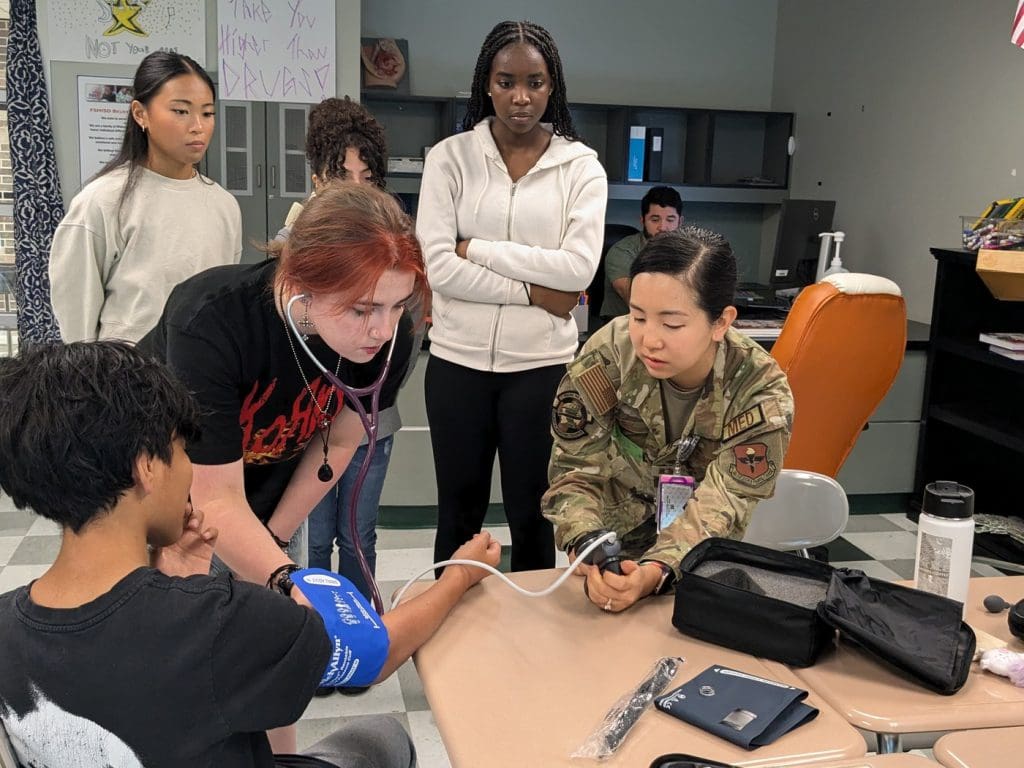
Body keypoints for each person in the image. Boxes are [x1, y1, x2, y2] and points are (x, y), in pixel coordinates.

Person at [0, 341, 499, 767]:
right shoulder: (224, 620)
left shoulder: (6, 627)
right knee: (383, 736)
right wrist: (458, 577)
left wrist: (181, 582)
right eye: (181, 452)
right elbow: (374, 654)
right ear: (147, 467)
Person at [138, 183, 496, 750]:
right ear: (301, 281)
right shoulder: (211, 319)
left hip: (262, 489)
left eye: (398, 306)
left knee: (276, 644)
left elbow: (339, 442)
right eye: (362, 309)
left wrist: (277, 547)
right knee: (170, 652)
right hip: (159, 493)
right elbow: (212, 496)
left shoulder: (386, 339)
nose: (382, 331)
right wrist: (284, 578)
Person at [416, 20, 608, 571]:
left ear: (553, 87)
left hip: (542, 370)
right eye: (506, 82)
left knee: (535, 513)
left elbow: (578, 269)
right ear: (486, 85)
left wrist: (478, 248)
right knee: (457, 513)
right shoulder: (449, 158)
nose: (521, 97)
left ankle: (532, 642)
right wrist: (536, 292)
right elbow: (439, 269)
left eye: (535, 82)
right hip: (457, 365)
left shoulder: (581, 168)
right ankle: (449, 632)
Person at [543, 227, 793, 613]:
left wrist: (657, 570)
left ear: (721, 322)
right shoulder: (610, 354)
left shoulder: (758, 390)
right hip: (615, 542)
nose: (649, 340)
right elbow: (576, 466)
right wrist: (587, 542)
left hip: (704, 558)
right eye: (638, 317)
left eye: (671, 324)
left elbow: (725, 501)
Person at [276, 97, 416, 605]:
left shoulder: (394, 245)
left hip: (369, 419)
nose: (356, 188)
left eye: (367, 175)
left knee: (359, 535)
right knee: (311, 537)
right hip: (310, 419)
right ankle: (315, 629)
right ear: (317, 178)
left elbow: (399, 332)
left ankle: (359, 632)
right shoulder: (292, 246)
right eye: (341, 175)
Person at [49, 51, 241, 343]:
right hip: (125, 378)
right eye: (180, 111)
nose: (197, 126)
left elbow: (224, 303)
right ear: (141, 114)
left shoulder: (223, 205)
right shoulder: (103, 200)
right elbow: (76, 318)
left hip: (204, 374)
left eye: (207, 113)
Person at [599, 185, 683, 322]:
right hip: (623, 328)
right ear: (643, 220)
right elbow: (637, 300)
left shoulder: (689, 253)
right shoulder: (623, 251)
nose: (663, 227)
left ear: (680, 222)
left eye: (670, 220)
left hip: (672, 326)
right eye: (655, 219)